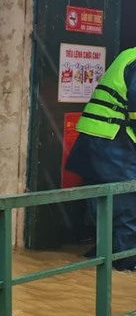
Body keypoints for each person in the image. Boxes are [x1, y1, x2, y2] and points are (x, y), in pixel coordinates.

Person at [66, 47, 136, 271]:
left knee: (103, 203)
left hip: (99, 139)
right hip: (111, 141)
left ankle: (101, 258)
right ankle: (123, 264)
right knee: (126, 203)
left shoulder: (130, 55)